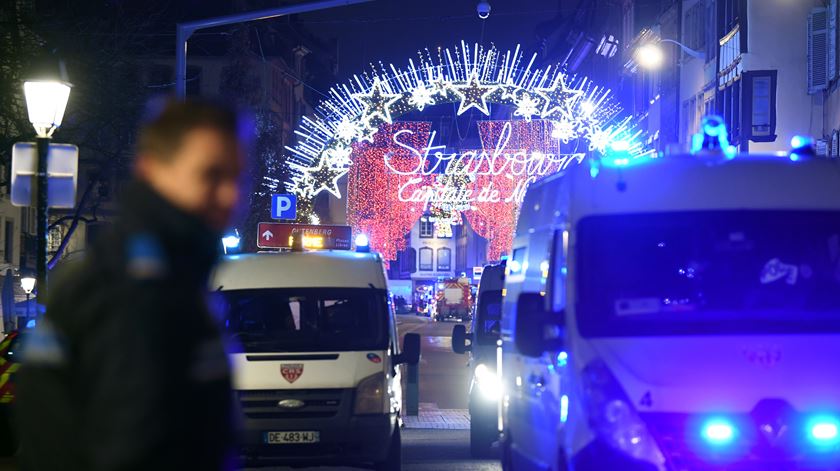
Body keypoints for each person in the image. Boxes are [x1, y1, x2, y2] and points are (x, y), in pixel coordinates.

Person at [17, 98, 246, 471]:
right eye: (211, 175)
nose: (230, 195)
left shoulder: (157, 270)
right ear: (152, 171)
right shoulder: (139, 292)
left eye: (238, 177)